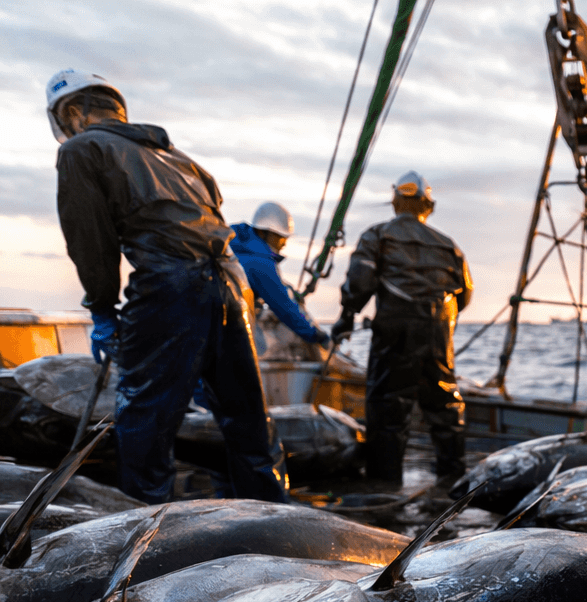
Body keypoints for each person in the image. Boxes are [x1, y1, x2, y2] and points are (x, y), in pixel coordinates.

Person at [48, 69, 288, 505]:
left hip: (170, 284)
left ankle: (143, 545)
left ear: (73, 113)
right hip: (233, 286)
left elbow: (91, 241)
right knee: (249, 422)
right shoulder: (181, 159)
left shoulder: (83, 149)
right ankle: (278, 524)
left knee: (144, 424)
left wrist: (102, 310)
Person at [336, 171, 472, 486]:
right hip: (439, 329)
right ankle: (454, 483)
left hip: (395, 328)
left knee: (387, 407)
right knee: (445, 402)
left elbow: (360, 281)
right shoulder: (448, 245)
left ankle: (386, 487)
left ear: (396, 201)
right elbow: (464, 293)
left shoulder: (378, 235)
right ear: (429, 206)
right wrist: (438, 320)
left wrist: (347, 315)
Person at [229, 202, 330, 357]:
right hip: (232, 327)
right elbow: (284, 307)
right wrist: (315, 334)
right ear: (265, 232)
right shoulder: (259, 262)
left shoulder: (238, 247)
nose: (284, 243)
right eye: (281, 237)